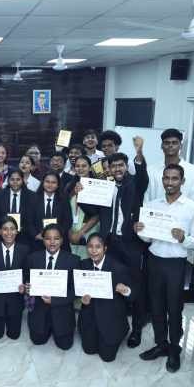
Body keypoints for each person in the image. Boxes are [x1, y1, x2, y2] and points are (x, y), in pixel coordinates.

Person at [77, 144, 149, 348]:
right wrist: (82, 194)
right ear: (108, 168)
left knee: (135, 286)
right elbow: (94, 210)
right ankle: (115, 323)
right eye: (113, 166)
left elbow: (142, 177)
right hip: (109, 243)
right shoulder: (105, 187)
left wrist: (139, 154)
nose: (117, 169)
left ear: (126, 167)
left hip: (130, 244)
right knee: (112, 285)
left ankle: (136, 330)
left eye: (121, 165)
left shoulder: (135, 184)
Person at [135, 164, 194, 373]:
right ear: (162, 180)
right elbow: (147, 239)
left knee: (174, 308)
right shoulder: (153, 204)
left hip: (176, 263)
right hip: (154, 260)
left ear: (182, 181)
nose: (170, 182)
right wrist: (140, 230)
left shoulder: (193, 208)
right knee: (155, 306)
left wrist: (183, 238)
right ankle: (161, 344)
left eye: (174, 178)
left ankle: (174, 349)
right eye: (166, 178)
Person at [78, 234, 133, 362]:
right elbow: (78, 289)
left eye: (98, 247)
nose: (94, 250)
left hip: (111, 318)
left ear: (105, 248)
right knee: (89, 350)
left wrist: (126, 290)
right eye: (90, 246)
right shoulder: (83, 265)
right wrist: (82, 298)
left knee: (107, 357)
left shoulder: (119, 268)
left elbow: (134, 294)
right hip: (90, 316)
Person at [25, 224, 79, 349]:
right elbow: (26, 280)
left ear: (62, 240)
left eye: (56, 238)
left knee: (65, 346)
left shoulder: (73, 260)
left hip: (62, 312)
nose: (52, 242)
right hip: (39, 311)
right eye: (48, 238)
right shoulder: (32, 258)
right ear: (43, 240)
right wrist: (27, 287)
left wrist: (54, 300)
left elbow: (75, 291)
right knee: (37, 341)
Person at [0, 216, 29, 339]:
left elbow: (27, 273)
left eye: (12, 229)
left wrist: (24, 285)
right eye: (5, 229)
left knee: (14, 335)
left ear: (17, 231)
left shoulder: (25, 250)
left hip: (15, 301)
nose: (9, 232)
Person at [145, 128, 194, 204]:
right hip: (154, 211)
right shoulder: (150, 170)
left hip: (184, 211)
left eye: (174, 143)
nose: (170, 145)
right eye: (167, 143)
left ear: (181, 146)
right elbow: (146, 198)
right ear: (162, 146)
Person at [27, 171, 73, 251]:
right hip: (38, 242)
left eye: (53, 182)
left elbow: (68, 221)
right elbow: (28, 221)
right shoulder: (33, 199)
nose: (50, 185)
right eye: (47, 181)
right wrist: (36, 235)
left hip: (59, 243)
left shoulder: (64, 199)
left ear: (58, 185)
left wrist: (57, 236)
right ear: (43, 183)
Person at [65, 155, 99, 259]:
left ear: (90, 168)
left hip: (89, 230)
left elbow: (97, 214)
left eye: (84, 166)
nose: (80, 168)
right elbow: (65, 210)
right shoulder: (69, 186)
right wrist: (70, 232)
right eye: (77, 166)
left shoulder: (97, 186)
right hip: (72, 229)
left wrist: (80, 233)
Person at [0, 169, 35, 245]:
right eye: (12, 179)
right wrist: (2, 227)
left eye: (18, 179)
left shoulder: (31, 196)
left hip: (25, 236)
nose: (15, 182)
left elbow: (33, 218)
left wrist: (24, 228)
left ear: (22, 180)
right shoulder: (0, 195)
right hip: (3, 236)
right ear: (8, 180)